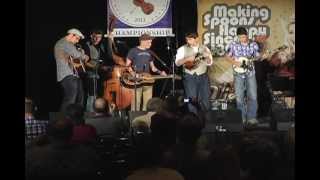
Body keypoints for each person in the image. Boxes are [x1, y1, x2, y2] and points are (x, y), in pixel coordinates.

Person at [225, 27, 260, 125]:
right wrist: (235, 62)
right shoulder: (233, 45)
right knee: (239, 97)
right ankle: (242, 118)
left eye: (243, 37)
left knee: (252, 95)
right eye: (240, 37)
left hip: (250, 73)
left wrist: (260, 56)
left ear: (247, 35)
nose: (242, 39)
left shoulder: (253, 45)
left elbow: (257, 56)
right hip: (238, 73)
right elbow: (227, 56)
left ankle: (251, 118)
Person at [126, 33, 167, 111]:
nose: (151, 44)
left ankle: (146, 121)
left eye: (151, 42)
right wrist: (133, 74)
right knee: (136, 103)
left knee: (148, 104)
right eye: (149, 42)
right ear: (142, 41)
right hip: (137, 81)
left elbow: (153, 68)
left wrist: (160, 72)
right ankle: (135, 121)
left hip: (148, 80)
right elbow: (127, 65)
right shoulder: (133, 51)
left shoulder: (150, 52)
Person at [175, 32, 213, 115]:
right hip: (189, 77)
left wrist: (207, 58)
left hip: (203, 76)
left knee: (205, 97)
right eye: (187, 39)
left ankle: (205, 119)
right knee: (191, 98)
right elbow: (177, 63)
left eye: (190, 39)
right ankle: (193, 118)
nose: (188, 41)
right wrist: (187, 59)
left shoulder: (205, 48)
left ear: (197, 38)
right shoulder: (182, 49)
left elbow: (210, 62)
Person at [54, 28, 89, 113]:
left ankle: (77, 118)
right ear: (71, 35)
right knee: (71, 99)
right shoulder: (64, 43)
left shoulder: (67, 44)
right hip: (67, 75)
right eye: (77, 38)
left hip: (73, 74)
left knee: (79, 97)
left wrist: (81, 52)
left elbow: (73, 56)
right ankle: (63, 120)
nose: (77, 41)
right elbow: (77, 54)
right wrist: (85, 56)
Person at [82, 29, 113, 112]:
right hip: (91, 73)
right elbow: (85, 62)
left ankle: (98, 112)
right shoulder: (87, 46)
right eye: (95, 37)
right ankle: (90, 113)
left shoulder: (101, 46)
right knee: (91, 95)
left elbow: (109, 56)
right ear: (92, 36)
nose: (97, 39)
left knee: (98, 95)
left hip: (100, 74)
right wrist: (99, 68)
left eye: (99, 37)